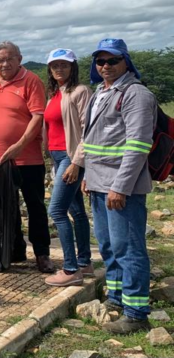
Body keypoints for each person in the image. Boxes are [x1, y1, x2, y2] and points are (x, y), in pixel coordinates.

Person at [82, 38, 157, 334]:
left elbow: (138, 145)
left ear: (125, 61)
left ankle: (137, 312)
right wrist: (87, 174)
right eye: (100, 61)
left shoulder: (136, 94)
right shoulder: (99, 93)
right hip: (98, 182)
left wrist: (120, 187)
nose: (105, 67)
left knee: (129, 247)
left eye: (112, 61)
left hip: (121, 187)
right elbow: (93, 141)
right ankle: (116, 297)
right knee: (109, 245)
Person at [0, 41, 54, 273]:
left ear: (20, 59)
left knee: (35, 206)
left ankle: (42, 253)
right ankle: (15, 249)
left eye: (10, 58)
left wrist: (19, 145)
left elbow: (37, 117)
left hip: (28, 158)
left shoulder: (31, 81)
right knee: (5, 207)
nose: (5, 64)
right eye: (0, 60)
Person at [42, 49, 93, 287]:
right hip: (57, 156)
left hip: (69, 157)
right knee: (77, 212)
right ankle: (84, 262)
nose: (59, 69)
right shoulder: (54, 93)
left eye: (64, 65)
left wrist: (76, 162)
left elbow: (88, 130)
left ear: (73, 67)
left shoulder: (80, 92)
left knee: (56, 211)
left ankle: (71, 269)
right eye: (55, 66)